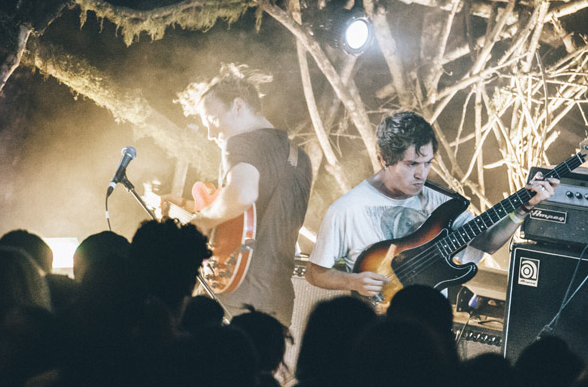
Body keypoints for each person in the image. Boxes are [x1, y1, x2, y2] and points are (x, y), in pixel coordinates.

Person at [305, 110, 557, 298]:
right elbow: (315, 273)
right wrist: (353, 282)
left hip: (427, 327)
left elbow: (487, 242)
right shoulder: (346, 209)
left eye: (427, 162)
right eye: (411, 164)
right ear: (383, 159)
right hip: (373, 328)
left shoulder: (443, 203)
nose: (421, 174)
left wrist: (523, 208)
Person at [172, 64, 312, 325]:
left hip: (233, 298)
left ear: (238, 106)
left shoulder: (240, 143)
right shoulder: (300, 156)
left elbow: (243, 194)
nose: (212, 133)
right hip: (278, 303)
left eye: (212, 120)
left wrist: (199, 222)